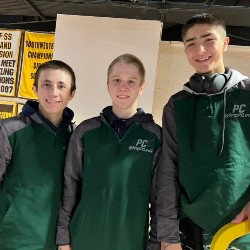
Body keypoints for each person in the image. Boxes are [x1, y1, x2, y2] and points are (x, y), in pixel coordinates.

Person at [156, 13, 250, 250]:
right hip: (193, 227)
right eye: (191, 44)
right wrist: (168, 235)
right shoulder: (176, 106)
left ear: (225, 43)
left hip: (244, 224)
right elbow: (168, 171)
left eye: (208, 40)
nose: (200, 49)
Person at [56, 53, 161, 250]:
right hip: (83, 239)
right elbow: (70, 185)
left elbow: (159, 198)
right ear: (108, 85)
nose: (123, 87)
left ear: (142, 87)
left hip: (130, 241)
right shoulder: (86, 132)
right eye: (117, 80)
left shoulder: (155, 137)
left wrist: (154, 243)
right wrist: (63, 238)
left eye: (131, 81)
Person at [0, 60, 76, 249]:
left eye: (61, 86)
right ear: (35, 89)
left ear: (71, 94)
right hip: (12, 240)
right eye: (46, 85)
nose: (53, 93)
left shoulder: (76, 137)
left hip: (56, 242)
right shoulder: (9, 130)